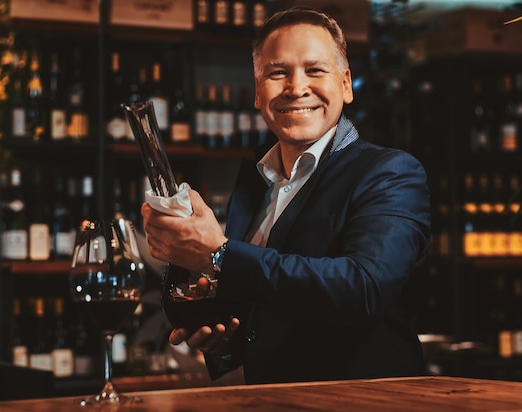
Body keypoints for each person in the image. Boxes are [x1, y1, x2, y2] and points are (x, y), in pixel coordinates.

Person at [141, 6, 431, 384]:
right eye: (277, 73)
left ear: (345, 84)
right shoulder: (256, 186)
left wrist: (219, 252)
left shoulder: (390, 172)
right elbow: (270, 315)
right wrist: (224, 341)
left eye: (315, 70)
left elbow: (364, 288)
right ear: (258, 92)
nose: (296, 87)